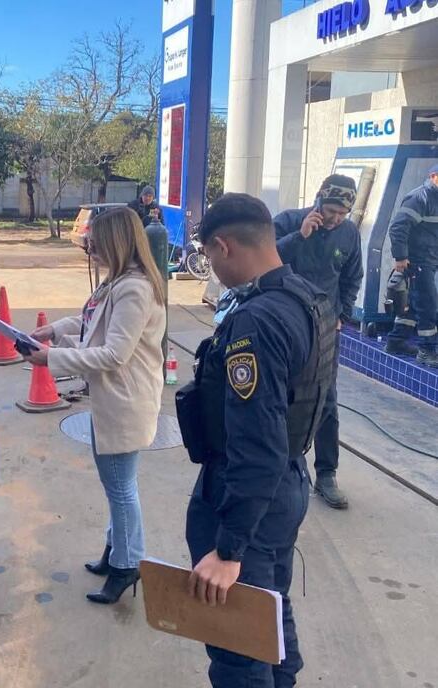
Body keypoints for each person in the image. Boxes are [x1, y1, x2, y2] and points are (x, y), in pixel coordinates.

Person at [182, 193, 336, 688]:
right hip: (286, 484)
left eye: (208, 257)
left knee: (237, 644)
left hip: (246, 494)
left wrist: (228, 548)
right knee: (268, 613)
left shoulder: (256, 321)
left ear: (224, 246)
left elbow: (257, 442)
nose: (212, 269)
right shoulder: (308, 298)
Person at [25, 206, 166, 604]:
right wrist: (55, 330)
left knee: (121, 488)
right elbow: (92, 322)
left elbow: (113, 354)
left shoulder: (134, 288)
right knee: (117, 485)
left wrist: (50, 358)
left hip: (124, 401)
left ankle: (127, 564)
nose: (89, 249)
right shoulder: (115, 283)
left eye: (96, 242)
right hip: (110, 399)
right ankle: (116, 550)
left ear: (117, 242)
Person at [273, 174, 362, 509]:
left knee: (326, 400)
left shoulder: (349, 233)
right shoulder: (289, 222)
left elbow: (353, 275)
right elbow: (264, 258)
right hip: (285, 323)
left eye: (342, 213)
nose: (335, 218)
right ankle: (278, 468)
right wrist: (300, 237)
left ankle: (327, 473)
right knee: (280, 395)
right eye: (331, 210)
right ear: (318, 201)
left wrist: (344, 313)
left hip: (325, 327)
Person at [386, 164, 438, 368]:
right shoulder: (420, 198)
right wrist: (400, 257)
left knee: (414, 303)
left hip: (431, 258)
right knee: (427, 304)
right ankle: (427, 351)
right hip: (418, 260)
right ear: (433, 176)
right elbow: (398, 227)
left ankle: (395, 341)